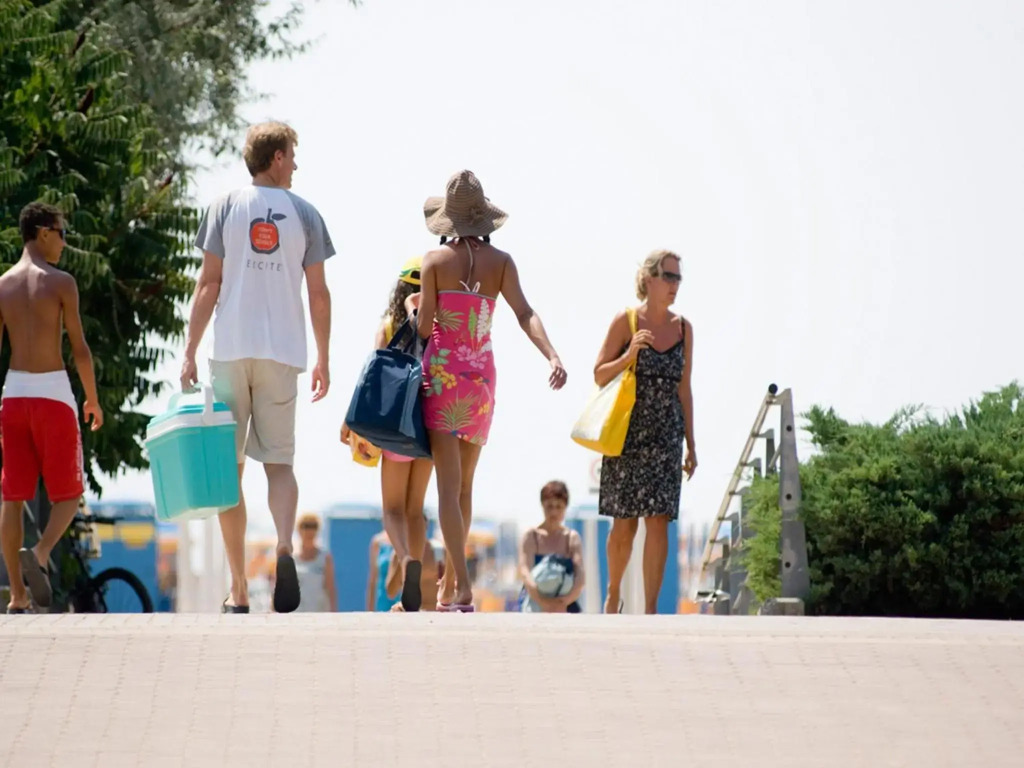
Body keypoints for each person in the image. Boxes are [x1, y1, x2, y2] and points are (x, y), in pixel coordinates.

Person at [180, 121, 335, 614]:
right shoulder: (306, 214)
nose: (296, 165)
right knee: (280, 464)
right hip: (282, 353)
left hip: (230, 349)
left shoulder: (224, 206)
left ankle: (240, 589)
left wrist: (189, 349)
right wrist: (323, 357)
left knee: (229, 472)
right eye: (292, 155)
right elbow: (318, 295)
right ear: (276, 157)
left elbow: (208, 284)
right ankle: (284, 544)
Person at [409, 170, 567, 611]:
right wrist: (552, 355)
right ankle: (449, 586)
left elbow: (424, 328)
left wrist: (414, 308)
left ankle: (461, 586)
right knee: (465, 488)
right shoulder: (502, 262)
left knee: (447, 489)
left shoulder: (433, 262)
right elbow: (525, 313)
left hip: (443, 375)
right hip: (480, 377)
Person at [0, 202, 103, 612]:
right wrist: (92, 399)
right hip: (53, 396)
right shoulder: (61, 283)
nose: (64, 242)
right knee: (70, 493)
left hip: (13, 395)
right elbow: (79, 347)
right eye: (61, 234)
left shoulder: (3, 285)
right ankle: (40, 553)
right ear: (43, 233)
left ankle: (17, 596)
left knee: (12, 496)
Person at [593, 250, 696, 614]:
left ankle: (650, 609)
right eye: (669, 276)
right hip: (628, 431)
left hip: (667, 434)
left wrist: (691, 444)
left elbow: (685, 388)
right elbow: (599, 374)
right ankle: (613, 593)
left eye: (678, 277)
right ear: (649, 279)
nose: (675, 284)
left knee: (659, 521)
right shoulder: (627, 321)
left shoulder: (684, 329)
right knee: (624, 524)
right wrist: (628, 356)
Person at [341, 256, 433, 611]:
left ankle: (406, 558)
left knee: (393, 510)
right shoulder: (438, 326)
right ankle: (415, 576)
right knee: (415, 511)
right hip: (428, 427)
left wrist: (350, 419)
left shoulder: (389, 325)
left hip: (396, 426)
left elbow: (373, 374)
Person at [519, 481, 585, 613]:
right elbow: (525, 572)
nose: (554, 512)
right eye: (549, 506)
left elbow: (580, 577)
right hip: (534, 605)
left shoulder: (571, 538)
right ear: (542, 505)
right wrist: (543, 602)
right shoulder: (531, 536)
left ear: (565, 507)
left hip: (566, 606)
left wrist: (563, 603)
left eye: (559, 506)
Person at [366, 519, 441, 612]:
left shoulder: (437, 552)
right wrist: (402, 561)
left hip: (427, 610)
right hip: (391, 604)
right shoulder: (393, 552)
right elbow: (387, 589)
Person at [293, 513, 337, 612]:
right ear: (299, 530)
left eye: (314, 526)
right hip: (297, 612)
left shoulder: (324, 557)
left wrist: (333, 613)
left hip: (318, 612)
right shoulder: (292, 559)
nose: (310, 530)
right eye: (306, 526)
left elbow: (330, 588)